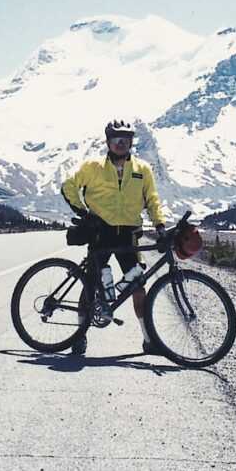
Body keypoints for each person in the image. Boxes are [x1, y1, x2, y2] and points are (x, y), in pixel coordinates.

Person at [61, 118, 167, 356]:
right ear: (108, 142)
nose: (121, 143)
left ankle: (148, 340)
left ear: (131, 142)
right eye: (116, 139)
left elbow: (152, 199)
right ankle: (79, 336)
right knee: (89, 286)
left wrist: (159, 223)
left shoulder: (142, 169)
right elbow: (69, 186)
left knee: (138, 286)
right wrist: (84, 214)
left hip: (128, 235)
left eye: (126, 139)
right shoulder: (92, 167)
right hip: (100, 232)